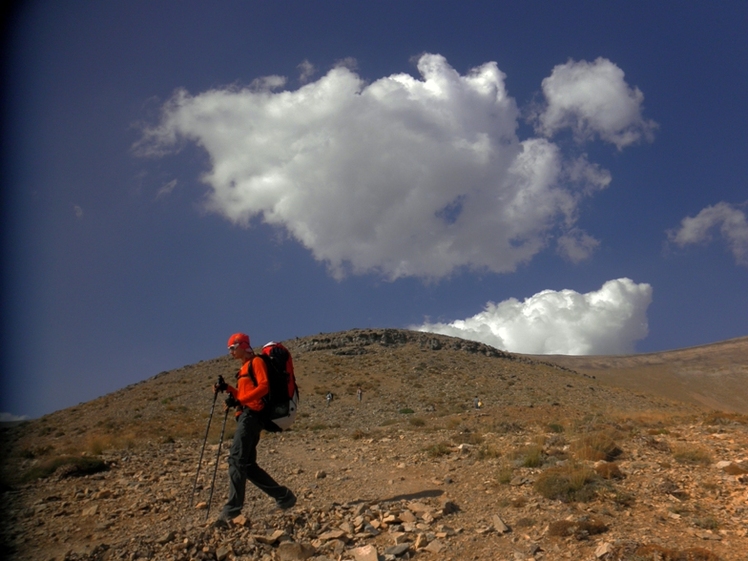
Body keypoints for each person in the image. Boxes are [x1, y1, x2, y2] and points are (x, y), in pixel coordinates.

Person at [213, 333, 296, 523]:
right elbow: (244, 395)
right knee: (248, 465)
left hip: (252, 417)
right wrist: (228, 390)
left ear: (243, 345)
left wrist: (239, 399)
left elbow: (264, 387)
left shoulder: (256, 362)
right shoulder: (243, 368)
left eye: (232, 347)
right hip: (246, 416)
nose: (230, 352)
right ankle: (284, 497)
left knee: (236, 459)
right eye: (229, 349)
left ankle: (232, 511)